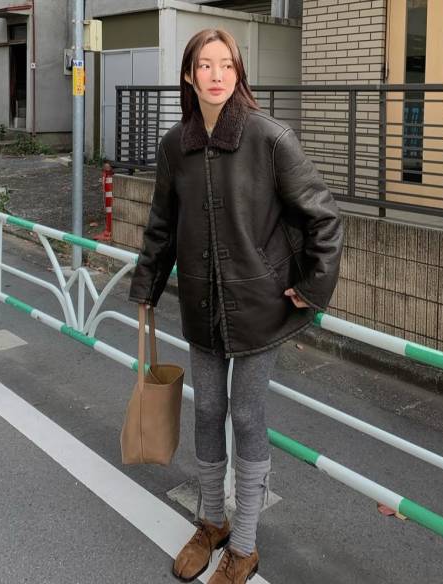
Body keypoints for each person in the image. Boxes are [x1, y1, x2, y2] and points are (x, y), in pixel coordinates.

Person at [129, 28, 343, 584]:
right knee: (206, 411)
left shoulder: (269, 138)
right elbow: (161, 225)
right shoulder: (175, 145)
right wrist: (146, 286)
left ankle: (244, 545)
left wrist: (312, 286)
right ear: (189, 74)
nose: (217, 74)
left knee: (246, 416)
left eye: (227, 64)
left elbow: (324, 217)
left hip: (260, 307)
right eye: (206, 65)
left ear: (238, 72)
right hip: (201, 303)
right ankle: (211, 521)